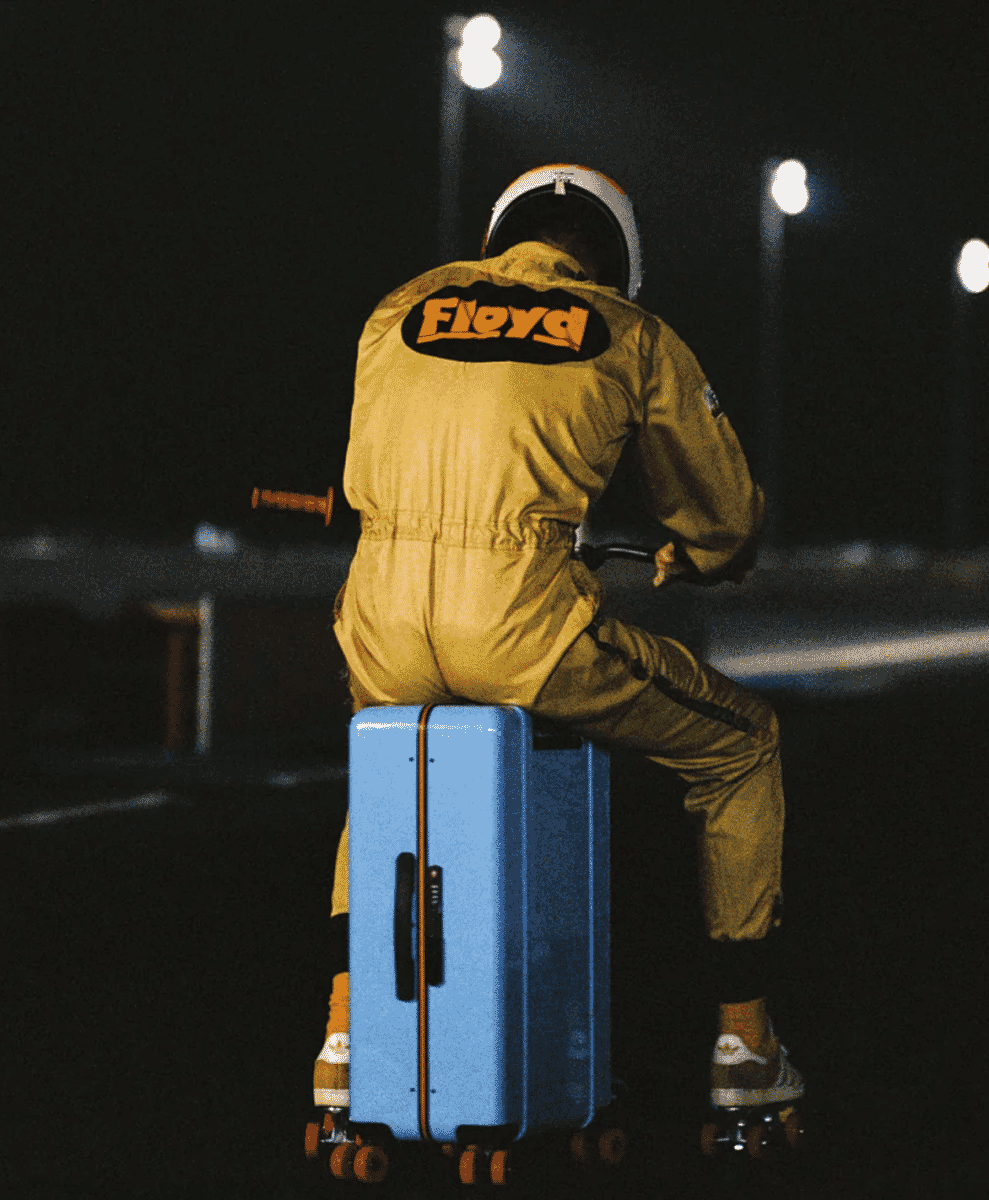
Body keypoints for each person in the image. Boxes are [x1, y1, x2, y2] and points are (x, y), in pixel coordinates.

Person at [313, 164, 804, 1118]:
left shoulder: (400, 308)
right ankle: (744, 1043)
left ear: (500, 235)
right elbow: (723, 516)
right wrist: (703, 554)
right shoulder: (630, 333)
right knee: (742, 744)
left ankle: (341, 1036)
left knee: (387, 771)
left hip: (376, 617)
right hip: (518, 625)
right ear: (615, 264)